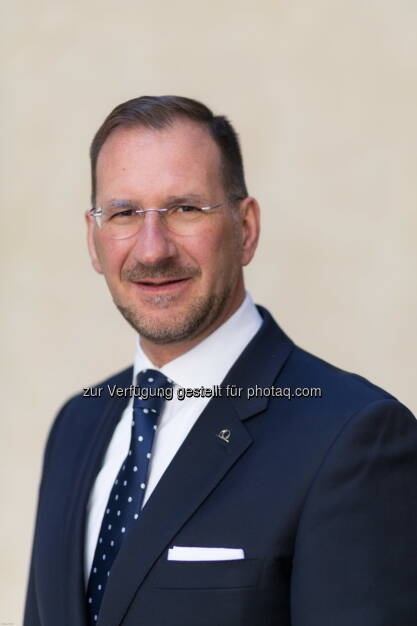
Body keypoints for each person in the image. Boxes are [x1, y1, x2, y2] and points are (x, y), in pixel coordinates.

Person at [24, 95, 417, 626]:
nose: (152, 249)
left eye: (185, 208)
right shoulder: (77, 425)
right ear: (94, 241)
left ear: (246, 228)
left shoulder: (353, 438)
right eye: (123, 213)